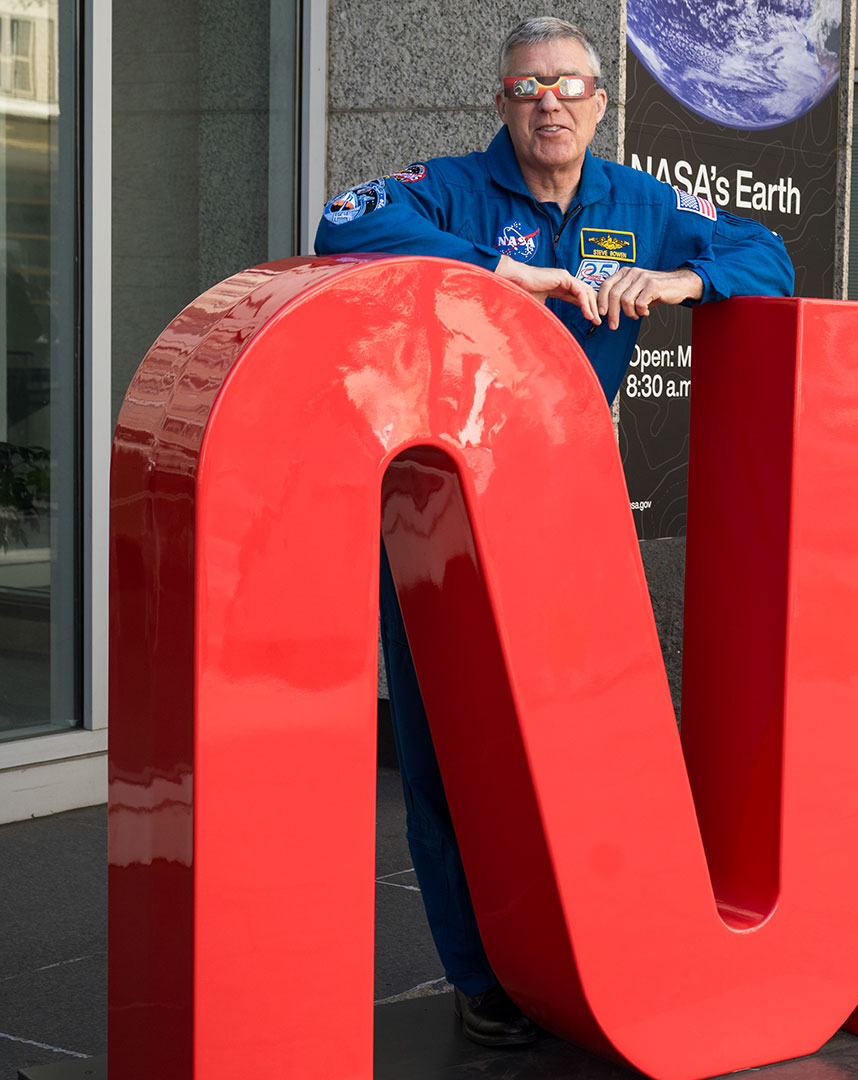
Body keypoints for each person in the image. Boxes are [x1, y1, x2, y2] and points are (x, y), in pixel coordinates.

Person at [315, 16, 793, 1048]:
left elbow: (769, 255)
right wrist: (503, 269)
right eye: (530, 88)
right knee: (451, 757)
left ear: (600, 102)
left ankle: (592, 948)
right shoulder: (447, 186)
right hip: (442, 517)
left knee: (586, 744)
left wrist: (682, 280)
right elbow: (342, 227)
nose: (552, 104)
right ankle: (480, 971)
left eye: (572, 86)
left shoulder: (644, 202)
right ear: (502, 102)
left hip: (566, 510)